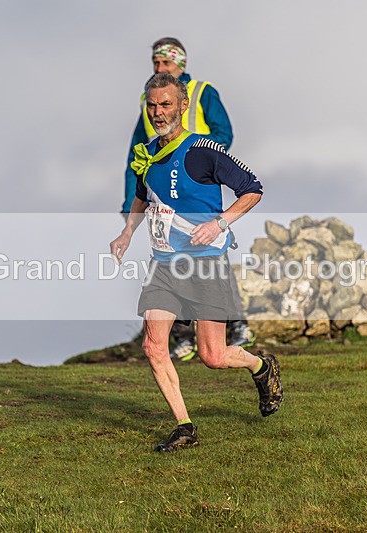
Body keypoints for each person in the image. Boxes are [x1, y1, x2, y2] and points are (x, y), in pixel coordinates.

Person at [110, 73, 282, 452]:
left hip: (206, 266)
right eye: (152, 105)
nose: (158, 112)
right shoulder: (148, 154)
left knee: (213, 356)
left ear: (183, 105)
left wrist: (219, 223)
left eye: (166, 104)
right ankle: (184, 427)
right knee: (153, 346)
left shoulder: (204, 149)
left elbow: (252, 189)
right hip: (164, 266)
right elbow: (143, 196)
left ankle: (261, 366)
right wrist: (127, 233)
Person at [121, 37, 254, 359]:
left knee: (211, 254)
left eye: (166, 63)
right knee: (169, 258)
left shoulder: (202, 91)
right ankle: (182, 339)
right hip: (162, 192)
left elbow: (224, 134)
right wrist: (130, 203)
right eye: (156, 63)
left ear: (180, 64)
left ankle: (237, 325)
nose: (160, 68)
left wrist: (192, 155)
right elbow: (137, 152)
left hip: (196, 181)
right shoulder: (149, 99)